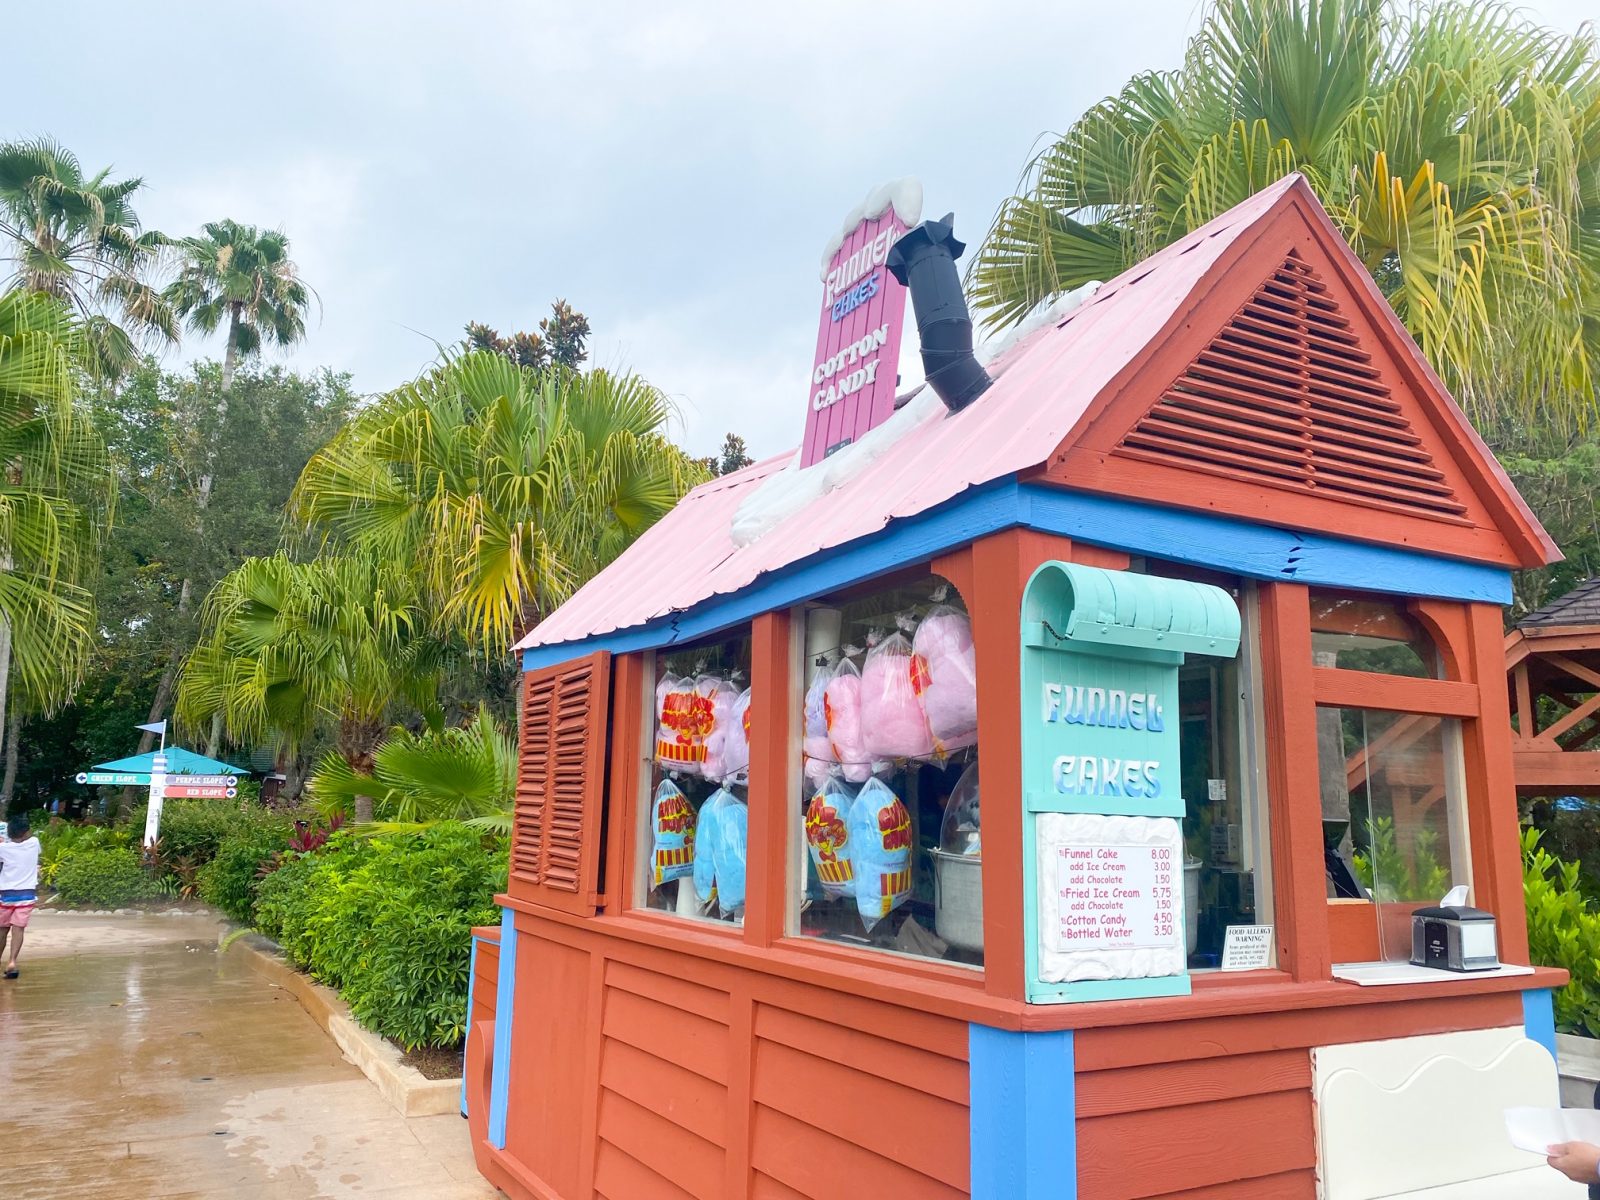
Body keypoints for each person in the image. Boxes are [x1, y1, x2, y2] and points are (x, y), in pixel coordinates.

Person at [0, 814, 41, 978]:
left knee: (2, 930)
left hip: (5, 894)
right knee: (18, 930)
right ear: (26, 832)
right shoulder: (34, 843)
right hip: (26, 895)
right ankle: (12, 962)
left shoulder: (3, 848)